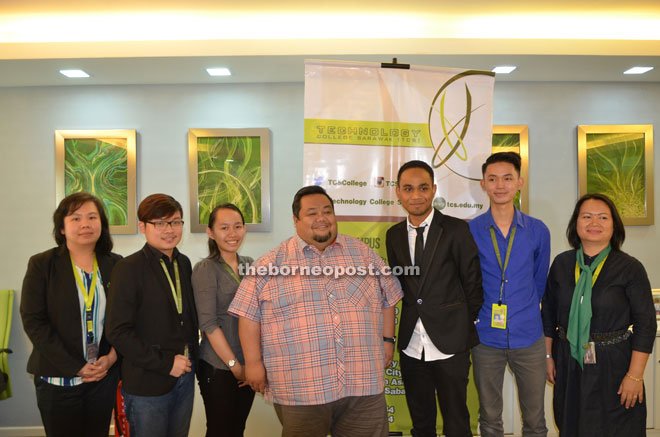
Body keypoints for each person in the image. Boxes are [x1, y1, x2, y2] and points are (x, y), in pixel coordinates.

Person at [229, 185, 403, 437]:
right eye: (311, 213)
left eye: (327, 211)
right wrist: (254, 363)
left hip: (362, 383)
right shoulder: (271, 263)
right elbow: (247, 314)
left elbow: (389, 296)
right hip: (301, 388)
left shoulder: (363, 255)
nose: (321, 218)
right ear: (296, 220)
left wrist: (388, 340)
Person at [542, 193, 656, 436]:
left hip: (614, 364)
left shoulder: (630, 268)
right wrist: (548, 355)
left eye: (603, 217)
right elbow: (549, 315)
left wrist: (635, 376)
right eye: (587, 217)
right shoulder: (562, 264)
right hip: (569, 360)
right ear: (576, 223)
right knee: (571, 422)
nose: (594, 223)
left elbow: (646, 324)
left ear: (614, 225)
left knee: (616, 427)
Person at [386, 160, 484, 437]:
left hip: (450, 341)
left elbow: (473, 283)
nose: (416, 195)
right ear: (398, 193)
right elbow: (401, 283)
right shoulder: (393, 235)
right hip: (411, 343)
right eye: (408, 188)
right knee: (421, 420)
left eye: (423, 188)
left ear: (434, 190)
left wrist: (459, 324)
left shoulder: (455, 229)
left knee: (456, 420)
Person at [20, 192, 121, 437]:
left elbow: (125, 320)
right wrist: (76, 366)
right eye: (75, 218)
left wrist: (111, 357)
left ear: (102, 224)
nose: (85, 224)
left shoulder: (117, 264)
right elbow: (34, 321)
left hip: (102, 377)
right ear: (62, 228)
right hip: (58, 379)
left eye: (92, 217)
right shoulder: (42, 264)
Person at [468, 152, 550, 437]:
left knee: (535, 419)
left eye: (507, 178)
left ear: (520, 183)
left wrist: (523, 309)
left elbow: (539, 281)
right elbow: (468, 283)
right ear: (483, 184)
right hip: (485, 337)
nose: (499, 185)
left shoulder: (537, 230)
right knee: (489, 417)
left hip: (529, 335)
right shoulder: (470, 231)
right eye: (492, 179)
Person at [106, 194, 199, 437]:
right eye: (160, 223)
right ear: (142, 226)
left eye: (176, 222)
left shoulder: (184, 263)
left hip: (185, 377)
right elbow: (118, 331)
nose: (169, 230)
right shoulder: (128, 268)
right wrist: (166, 363)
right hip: (147, 383)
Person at [192, 203, 255, 436]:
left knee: (237, 429)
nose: (232, 234)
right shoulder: (205, 269)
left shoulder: (250, 263)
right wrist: (235, 367)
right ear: (211, 232)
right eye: (224, 227)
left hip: (248, 366)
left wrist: (252, 364)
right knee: (221, 430)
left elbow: (260, 315)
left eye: (237, 226)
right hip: (218, 367)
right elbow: (208, 324)